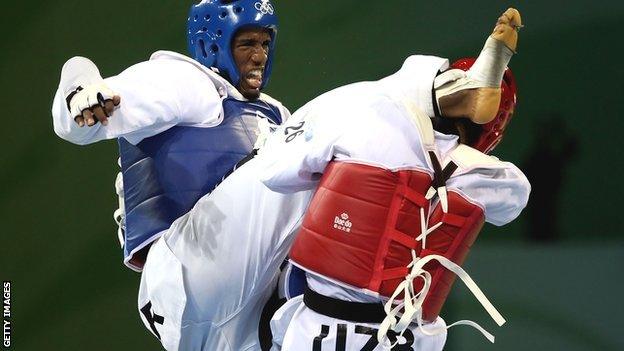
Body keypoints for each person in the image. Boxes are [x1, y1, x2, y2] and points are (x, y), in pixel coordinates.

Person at [262, 8, 529, 351]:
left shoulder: (371, 122)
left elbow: (274, 173)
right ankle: (464, 88)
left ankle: (454, 88)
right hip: (408, 337)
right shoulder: (488, 179)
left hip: (321, 329)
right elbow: (514, 203)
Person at [52, 0, 286, 272]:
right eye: (247, 44)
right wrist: (80, 92)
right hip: (182, 266)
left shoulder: (276, 113)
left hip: (247, 273)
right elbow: (84, 123)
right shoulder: (186, 82)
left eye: (265, 44)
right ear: (211, 47)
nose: (260, 56)